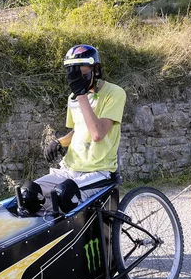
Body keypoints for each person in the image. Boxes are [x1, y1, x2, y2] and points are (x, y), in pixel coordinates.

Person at [34, 45, 126, 213]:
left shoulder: (114, 93)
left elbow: (97, 134)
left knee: (63, 196)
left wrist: (81, 94)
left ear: (95, 70)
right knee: (30, 194)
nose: (77, 78)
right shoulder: (73, 97)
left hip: (99, 171)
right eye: (73, 73)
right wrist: (59, 142)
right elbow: (78, 130)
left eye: (81, 73)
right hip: (70, 169)